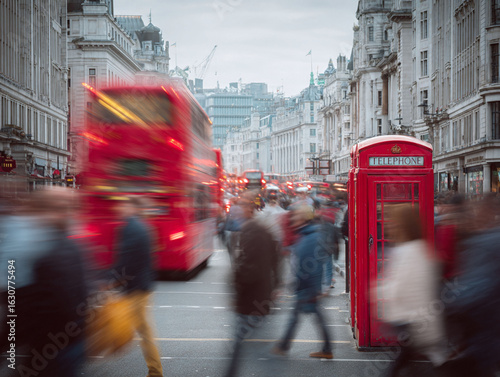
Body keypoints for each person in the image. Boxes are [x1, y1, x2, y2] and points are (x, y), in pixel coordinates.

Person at [382, 204, 447, 377]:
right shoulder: (418, 248)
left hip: (412, 319)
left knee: (402, 362)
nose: (389, 224)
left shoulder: (408, 251)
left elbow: (399, 288)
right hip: (416, 319)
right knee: (406, 361)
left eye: (393, 221)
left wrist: (379, 292)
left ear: (402, 224)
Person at [225, 191, 279, 377]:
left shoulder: (250, 230)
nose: (237, 210)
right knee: (250, 347)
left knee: (246, 347)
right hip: (261, 296)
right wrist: (277, 285)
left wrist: (237, 290)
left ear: (249, 208)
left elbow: (247, 267)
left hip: (251, 299)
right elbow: (276, 259)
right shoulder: (262, 229)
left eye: (242, 206)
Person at [272, 204, 333, 359]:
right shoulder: (306, 234)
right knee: (310, 317)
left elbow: (312, 266)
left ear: (304, 218)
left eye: (296, 216)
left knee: (298, 317)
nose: (293, 219)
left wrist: (312, 288)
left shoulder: (309, 236)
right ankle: (326, 348)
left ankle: (284, 346)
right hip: (306, 286)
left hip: (306, 287)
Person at [112, 196, 163, 377]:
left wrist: (112, 279)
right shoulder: (144, 227)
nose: (119, 207)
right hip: (142, 285)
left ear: (131, 207)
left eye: (123, 204)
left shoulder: (131, 228)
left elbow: (127, 259)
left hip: (136, 289)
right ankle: (155, 371)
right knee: (144, 330)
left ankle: (155, 372)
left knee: (137, 330)